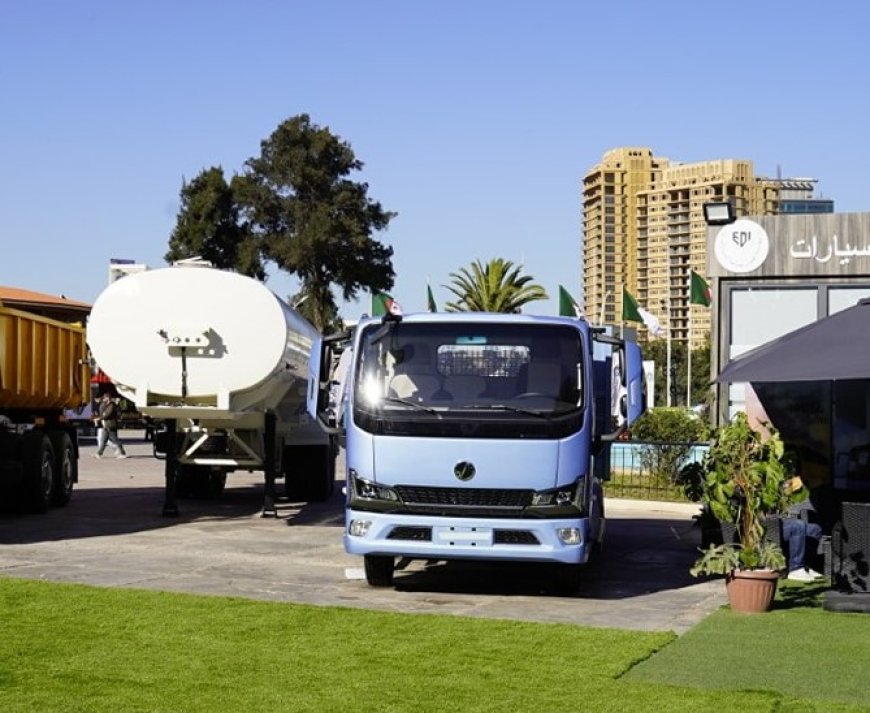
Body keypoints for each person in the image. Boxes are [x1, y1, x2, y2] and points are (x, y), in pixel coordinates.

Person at [781, 475, 824, 582]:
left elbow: (805, 506)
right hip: (774, 525)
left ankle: (805, 566)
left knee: (815, 529)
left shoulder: (792, 483)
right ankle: (795, 568)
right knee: (798, 525)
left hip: (787, 522)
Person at [93, 392, 127, 459]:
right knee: (103, 440)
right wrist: (102, 406)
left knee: (115, 440)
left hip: (111, 425)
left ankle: (123, 453)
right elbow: (102, 413)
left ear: (108, 398)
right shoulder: (105, 405)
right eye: (103, 397)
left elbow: (107, 415)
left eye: (105, 398)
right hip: (106, 425)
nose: (104, 399)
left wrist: (99, 419)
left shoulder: (112, 405)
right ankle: (98, 454)